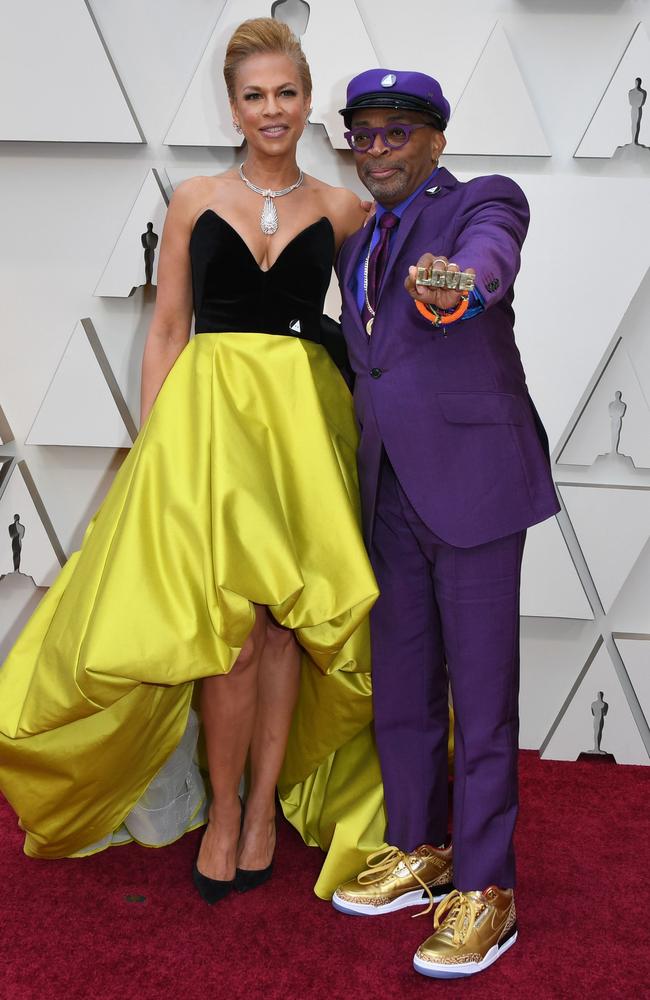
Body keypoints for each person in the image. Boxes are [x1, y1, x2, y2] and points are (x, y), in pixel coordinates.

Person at [0, 20, 386, 904]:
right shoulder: (193, 200)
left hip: (299, 433)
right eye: (255, 95)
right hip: (207, 433)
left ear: (306, 96)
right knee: (232, 637)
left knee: (287, 626)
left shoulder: (341, 208)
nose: (272, 110)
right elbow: (169, 329)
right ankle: (221, 812)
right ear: (234, 105)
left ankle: (258, 821)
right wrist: (156, 448)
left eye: (286, 92)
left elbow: (372, 329)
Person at [330, 69, 560, 977]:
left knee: (482, 698)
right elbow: (376, 362)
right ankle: (421, 851)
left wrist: (463, 284)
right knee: (405, 690)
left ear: (435, 140)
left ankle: (489, 891)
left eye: (397, 132)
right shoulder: (358, 244)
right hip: (389, 489)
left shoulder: (479, 203)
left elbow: (487, 259)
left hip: (473, 485)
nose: (378, 147)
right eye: (364, 132)